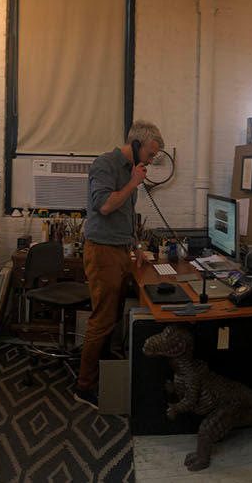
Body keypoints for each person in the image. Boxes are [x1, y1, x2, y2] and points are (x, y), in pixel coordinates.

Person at [73, 120, 165, 408]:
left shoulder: (131, 171)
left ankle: (104, 367)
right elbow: (104, 206)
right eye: (150, 154)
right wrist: (133, 183)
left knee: (113, 316)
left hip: (122, 250)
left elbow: (126, 214)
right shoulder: (106, 165)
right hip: (102, 251)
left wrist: (137, 246)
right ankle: (84, 386)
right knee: (102, 320)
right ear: (136, 144)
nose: (151, 161)